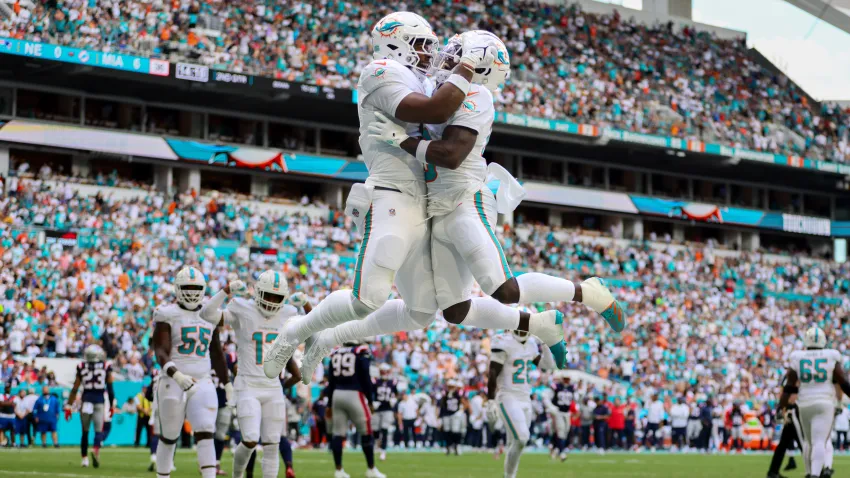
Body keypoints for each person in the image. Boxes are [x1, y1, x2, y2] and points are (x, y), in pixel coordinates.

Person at [298, 30, 627, 383]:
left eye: (458, 54)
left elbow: (451, 156)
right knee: (454, 310)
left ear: (480, 69)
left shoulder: (477, 95)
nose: (446, 57)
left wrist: (403, 140)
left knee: (505, 290)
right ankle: (538, 324)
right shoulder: (438, 90)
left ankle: (587, 291)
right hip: (435, 207)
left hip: (467, 200)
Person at [263, 13, 497, 378]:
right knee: (366, 299)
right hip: (392, 194)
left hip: (425, 202)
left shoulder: (423, 77)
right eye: (421, 46)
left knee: (421, 312)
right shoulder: (381, 70)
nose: (427, 55)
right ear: (395, 43)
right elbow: (434, 110)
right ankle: (293, 332)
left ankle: (327, 340)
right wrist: (467, 65)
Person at [198, 270, 303, 478]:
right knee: (250, 438)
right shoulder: (243, 308)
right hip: (248, 384)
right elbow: (206, 314)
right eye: (268, 295)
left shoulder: (289, 313)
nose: (272, 301)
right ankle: (238, 475)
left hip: (273, 387)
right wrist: (225, 291)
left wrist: (307, 304)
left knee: (272, 443)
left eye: (277, 297)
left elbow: (315, 327)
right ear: (257, 292)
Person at [151, 266, 232, 478]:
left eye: (196, 288)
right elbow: (160, 350)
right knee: (169, 436)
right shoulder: (167, 313)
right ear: (177, 288)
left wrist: (228, 383)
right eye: (187, 287)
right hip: (173, 380)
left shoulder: (209, 314)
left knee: (206, 431)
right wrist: (177, 374)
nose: (191, 292)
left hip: (203, 379)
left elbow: (216, 353)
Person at [779, 326, 850, 478]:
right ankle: (815, 475)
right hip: (824, 402)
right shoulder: (831, 355)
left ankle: (809, 472)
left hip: (804, 403)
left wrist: (781, 406)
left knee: (808, 441)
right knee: (819, 441)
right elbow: (843, 382)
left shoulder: (798, 356)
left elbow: (789, 386)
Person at [485, 330, 554, 478]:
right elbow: (492, 373)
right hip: (507, 395)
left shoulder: (531, 344)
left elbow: (548, 365)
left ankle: (509, 475)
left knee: (514, 443)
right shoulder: (503, 341)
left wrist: (545, 342)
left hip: (525, 398)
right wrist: (490, 400)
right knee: (522, 437)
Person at [326, 340, 385, 478]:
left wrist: (329, 403)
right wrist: (370, 400)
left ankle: (338, 470)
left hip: (336, 395)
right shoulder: (360, 351)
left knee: (337, 433)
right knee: (366, 432)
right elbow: (365, 377)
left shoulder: (335, 352)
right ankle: (371, 469)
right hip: (354, 394)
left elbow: (331, 381)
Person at [65, 344, 113, 467]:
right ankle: (96, 450)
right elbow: (110, 389)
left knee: (85, 431)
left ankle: (85, 459)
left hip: (86, 401)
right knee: (98, 431)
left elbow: (75, 388)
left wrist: (69, 406)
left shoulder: (82, 366)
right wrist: (112, 405)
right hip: (99, 401)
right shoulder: (105, 366)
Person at [544, 371, 574, 461]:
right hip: (558, 412)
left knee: (565, 432)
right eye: (565, 379)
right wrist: (551, 407)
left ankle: (555, 447)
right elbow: (546, 397)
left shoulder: (571, 388)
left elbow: (574, 399)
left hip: (567, 412)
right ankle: (561, 452)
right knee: (560, 431)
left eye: (567, 379)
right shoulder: (556, 387)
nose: (566, 381)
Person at [372, 363, 399, 459]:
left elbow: (396, 393)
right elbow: (370, 391)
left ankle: (383, 450)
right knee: (375, 429)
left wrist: (394, 400)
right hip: (377, 408)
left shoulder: (392, 382)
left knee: (384, 429)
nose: (384, 373)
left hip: (388, 408)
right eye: (382, 371)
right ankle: (376, 444)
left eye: (385, 371)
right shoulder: (376, 381)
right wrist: (372, 401)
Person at [440, 379, 468, 456]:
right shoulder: (445, 395)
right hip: (446, 415)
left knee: (455, 431)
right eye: (449, 386)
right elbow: (442, 405)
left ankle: (456, 445)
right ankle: (448, 446)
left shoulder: (457, 395)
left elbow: (465, 404)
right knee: (447, 431)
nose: (450, 388)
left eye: (452, 387)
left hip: (455, 414)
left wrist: (460, 411)